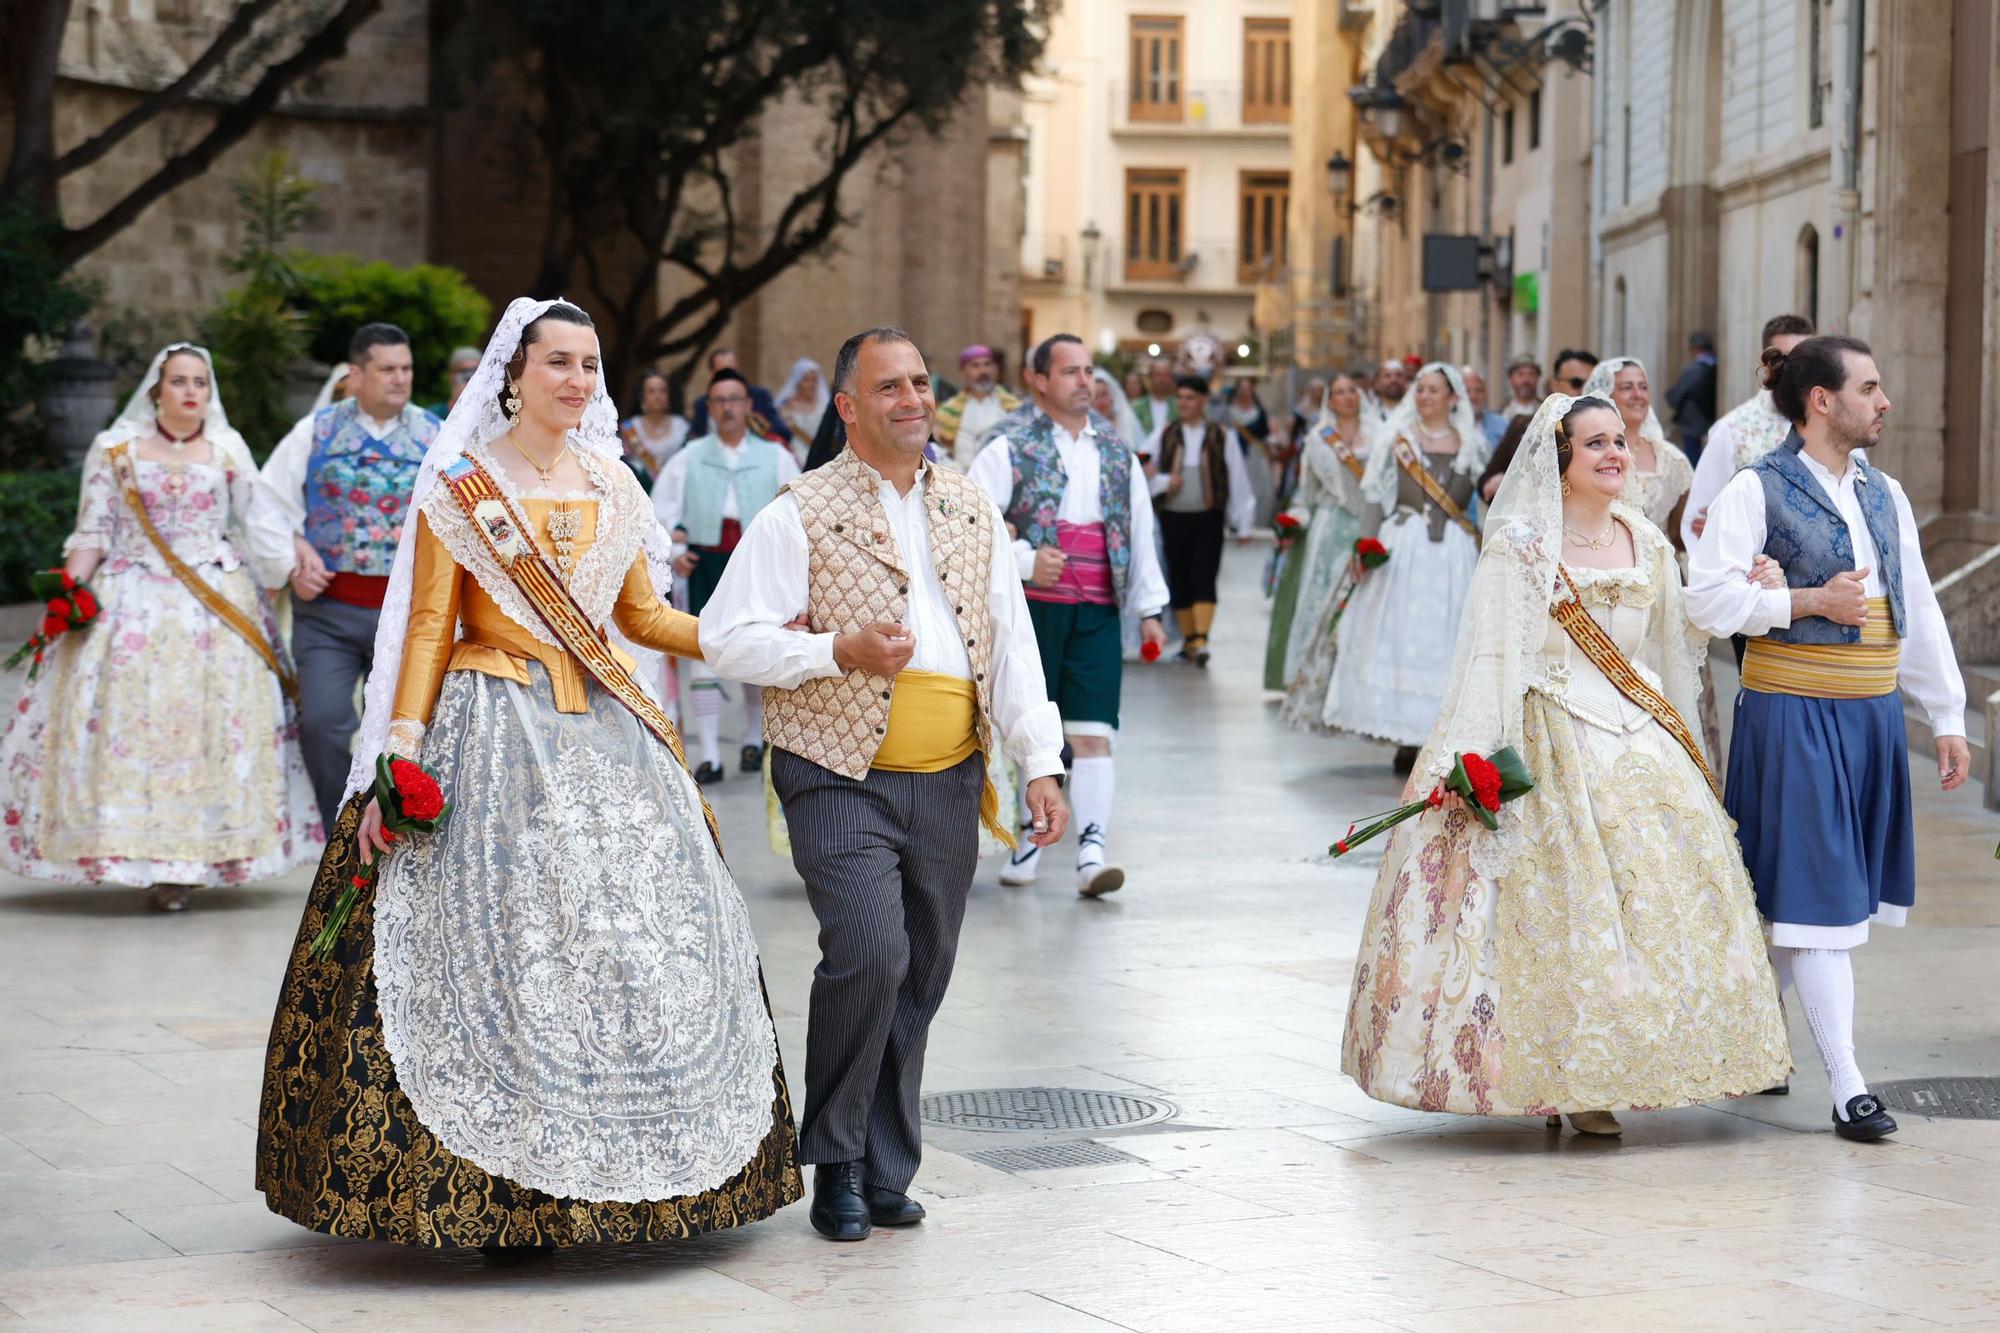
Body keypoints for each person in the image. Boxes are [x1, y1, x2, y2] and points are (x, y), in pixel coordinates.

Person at [255, 297, 801, 1251]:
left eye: (590, 365)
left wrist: (743, 637)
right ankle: (508, 1192)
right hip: (489, 722)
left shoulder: (613, 480)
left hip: (604, 731)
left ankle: (631, 1172)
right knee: (504, 937)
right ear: (514, 373)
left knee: (634, 930)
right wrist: (403, 745)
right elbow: (431, 623)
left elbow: (641, 618)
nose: (578, 381)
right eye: (559, 362)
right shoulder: (461, 485)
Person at [700, 326, 1066, 1241]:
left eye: (920, 383)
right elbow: (724, 635)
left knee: (924, 969)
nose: (911, 399)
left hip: (949, 773)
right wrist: (834, 649)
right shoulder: (800, 508)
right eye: (889, 386)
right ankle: (833, 1163)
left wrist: (1043, 761)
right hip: (835, 769)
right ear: (849, 406)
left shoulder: (974, 507)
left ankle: (884, 1163)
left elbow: (1010, 643)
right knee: (871, 950)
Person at [1343, 393, 1791, 1132]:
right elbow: (1488, 656)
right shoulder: (1520, 545)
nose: (1616, 453)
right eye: (1596, 444)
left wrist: (1758, 589)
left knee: (1662, 906)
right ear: (1561, 460)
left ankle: (1656, 1054)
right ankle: (1575, 1078)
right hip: (1553, 733)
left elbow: (1679, 640)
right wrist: (1474, 760)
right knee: (1568, 912)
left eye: (1619, 440)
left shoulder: (1646, 541)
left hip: (1639, 736)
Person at [1686, 335, 1969, 1142]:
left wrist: (1944, 714)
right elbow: (1705, 600)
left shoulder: (1888, 494)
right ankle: (1849, 1088)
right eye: (1870, 388)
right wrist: (1803, 601)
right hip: (1793, 714)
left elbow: (1915, 608)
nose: (1884, 402)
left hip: (1870, 717)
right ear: (1821, 400)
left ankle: (1732, 1039)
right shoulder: (1755, 487)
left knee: (1800, 907)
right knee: (1817, 908)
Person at [0, 344, 321, 911]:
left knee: (211, 727)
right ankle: (131, 853)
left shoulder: (227, 450)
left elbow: (259, 520)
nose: (192, 391)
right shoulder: (115, 451)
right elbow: (93, 531)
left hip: (213, 607)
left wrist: (288, 564)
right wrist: (68, 594)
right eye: (179, 381)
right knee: (129, 725)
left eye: (200, 381)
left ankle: (192, 861)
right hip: (131, 602)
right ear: (157, 390)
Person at [969, 333, 1170, 897]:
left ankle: (1091, 851)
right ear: (1038, 380)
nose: (1085, 381)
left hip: (1098, 610)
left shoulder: (1115, 451)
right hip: (1030, 614)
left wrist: (1150, 610)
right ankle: (1034, 837)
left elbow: (1138, 531)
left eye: (1089, 372)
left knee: (1093, 733)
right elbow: (967, 531)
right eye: (1070, 371)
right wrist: (1027, 560)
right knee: (1034, 731)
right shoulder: (1005, 446)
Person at [248, 323, 440, 831]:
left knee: (408, 729)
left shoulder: (435, 437)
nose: (400, 380)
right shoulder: (316, 431)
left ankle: (396, 827)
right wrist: (293, 556)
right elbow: (267, 502)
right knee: (323, 725)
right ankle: (339, 829)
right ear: (356, 375)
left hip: (404, 616)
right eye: (387, 369)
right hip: (328, 611)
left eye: (407, 369)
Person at [1323, 363, 1487, 772]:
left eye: (1434, 391)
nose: (1425, 397)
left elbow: (1484, 503)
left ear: (1453, 398)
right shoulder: (1397, 439)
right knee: (1402, 634)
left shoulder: (1471, 442)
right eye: (1421, 390)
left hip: (1453, 551)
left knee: (1448, 640)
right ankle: (1406, 735)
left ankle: (1440, 731)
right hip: (1406, 544)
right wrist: (1366, 544)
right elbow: (1376, 495)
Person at [653, 367, 801, 782]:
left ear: (749, 405)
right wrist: (676, 550)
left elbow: (798, 513)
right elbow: (656, 513)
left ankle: (755, 740)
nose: (728, 408)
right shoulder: (689, 456)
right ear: (710, 408)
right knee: (703, 653)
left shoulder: (776, 455)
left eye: (735, 399)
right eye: (719, 400)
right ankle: (712, 755)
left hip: (757, 565)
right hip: (706, 562)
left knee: (753, 647)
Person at [1272, 373, 1372, 701]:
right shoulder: (1318, 438)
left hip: (1368, 526)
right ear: (1329, 400)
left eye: (1352, 391)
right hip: (1329, 526)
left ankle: (1359, 676)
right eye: (1339, 392)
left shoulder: (1380, 434)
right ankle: (1313, 673)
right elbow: (1308, 492)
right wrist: (1295, 521)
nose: (1346, 397)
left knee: (1363, 598)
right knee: (1322, 596)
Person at [1146, 374, 1256, 666]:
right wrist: (1164, 482)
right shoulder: (1164, 433)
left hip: (1209, 515)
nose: (1183, 403)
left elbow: (1237, 478)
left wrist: (1243, 521)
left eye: (1190, 398)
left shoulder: (1223, 435)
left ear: (1203, 401)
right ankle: (1190, 640)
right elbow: (1142, 468)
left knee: (1205, 574)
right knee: (1179, 576)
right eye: (1180, 398)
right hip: (1173, 515)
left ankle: (1201, 638)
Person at [1682, 315, 1815, 547]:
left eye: (1804, 359)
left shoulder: (1834, 425)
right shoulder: (1732, 431)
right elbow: (1698, 524)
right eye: (1783, 359)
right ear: (1767, 363)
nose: (1794, 369)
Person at [1582, 357, 1693, 542]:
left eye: (1643, 387)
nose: (1637, 395)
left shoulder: (1673, 459)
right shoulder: (1586, 454)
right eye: (1627, 387)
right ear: (1604, 394)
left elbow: (1681, 531)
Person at [933, 344, 1023, 467]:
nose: (983, 371)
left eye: (987, 364)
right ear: (963, 371)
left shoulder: (1014, 408)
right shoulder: (947, 412)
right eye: (975, 365)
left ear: (996, 369)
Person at [686, 346, 782, 437]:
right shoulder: (702, 404)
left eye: (732, 371)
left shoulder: (759, 396)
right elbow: (693, 437)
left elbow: (782, 431)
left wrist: (758, 424)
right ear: (712, 374)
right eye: (722, 373)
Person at [621, 369, 690, 482]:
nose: (657, 396)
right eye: (651, 391)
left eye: (662, 391)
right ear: (642, 396)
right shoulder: (630, 428)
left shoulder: (681, 426)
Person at [1665, 331, 1720, 465]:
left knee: (1693, 461)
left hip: (1693, 424)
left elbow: (1676, 396)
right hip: (1711, 419)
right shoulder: (1717, 366)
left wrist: (1670, 396)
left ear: (1695, 349)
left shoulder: (1694, 369)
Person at [775, 356, 831, 460]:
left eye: (814, 381)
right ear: (798, 382)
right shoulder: (786, 407)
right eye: (806, 380)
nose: (811, 385)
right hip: (792, 458)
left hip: (818, 460)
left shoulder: (824, 408)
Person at [424, 345, 481, 418]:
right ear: (451, 376)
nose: (469, 378)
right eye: (464, 372)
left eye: (475, 371)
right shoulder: (432, 416)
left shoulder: (489, 416)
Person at [1462, 366, 1507, 448]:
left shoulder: (1503, 425)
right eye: (1467, 391)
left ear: (1486, 394)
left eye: (1478, 391)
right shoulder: (1449, 425)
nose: (1473, 396)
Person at [1131, 359, 1177, 438]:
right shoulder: (1136, 407)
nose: (1162, 379)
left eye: (1166, 375)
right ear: (1150, 378)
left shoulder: (1180, 406)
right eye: (1157, 374)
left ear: (1171, 378)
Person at [1370, 358, 1411, 423]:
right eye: (1387, 376)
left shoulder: (1415, 411)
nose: (1394, 380)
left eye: (1399, 375)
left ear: (1406, 382)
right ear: (1376, 384)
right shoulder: (1369, 412)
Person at [1502, 352, 1540, 420]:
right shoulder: (1501, 412)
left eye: (1531, 374)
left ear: (1537, 378)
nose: (1526, 380)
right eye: (1520, 374)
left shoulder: (1547, 411)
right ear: (1511, 379)